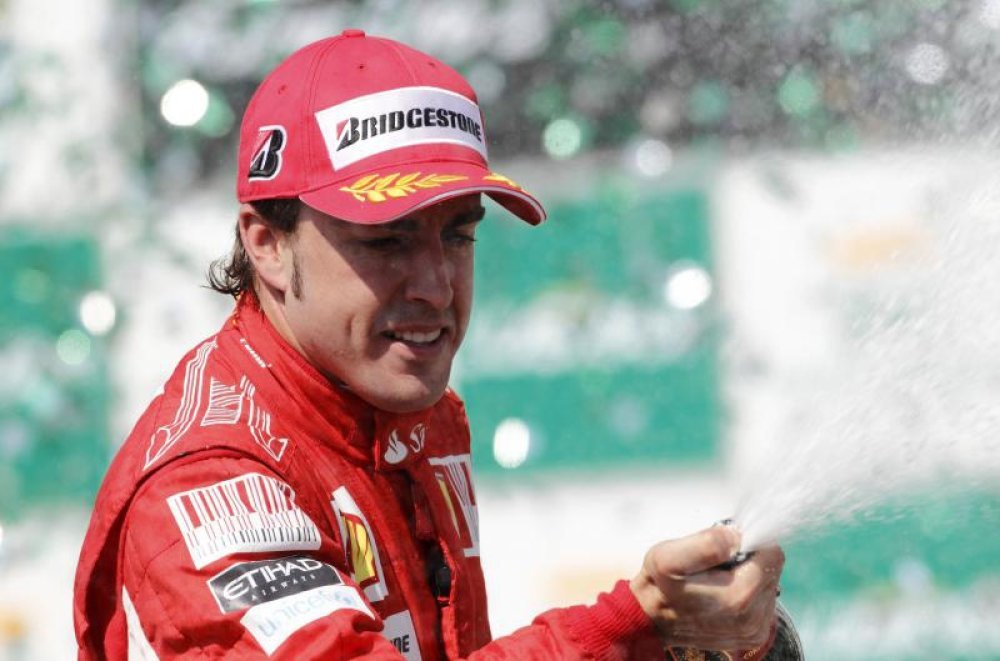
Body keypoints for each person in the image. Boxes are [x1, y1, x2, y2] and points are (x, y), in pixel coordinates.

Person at [74, 30, 784, 660]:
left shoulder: (405, 410)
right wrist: (629, 630)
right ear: (267, 245)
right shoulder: (210, 484)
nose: (437, 286)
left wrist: (699, 641)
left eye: (458, 234)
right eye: (388, 241)